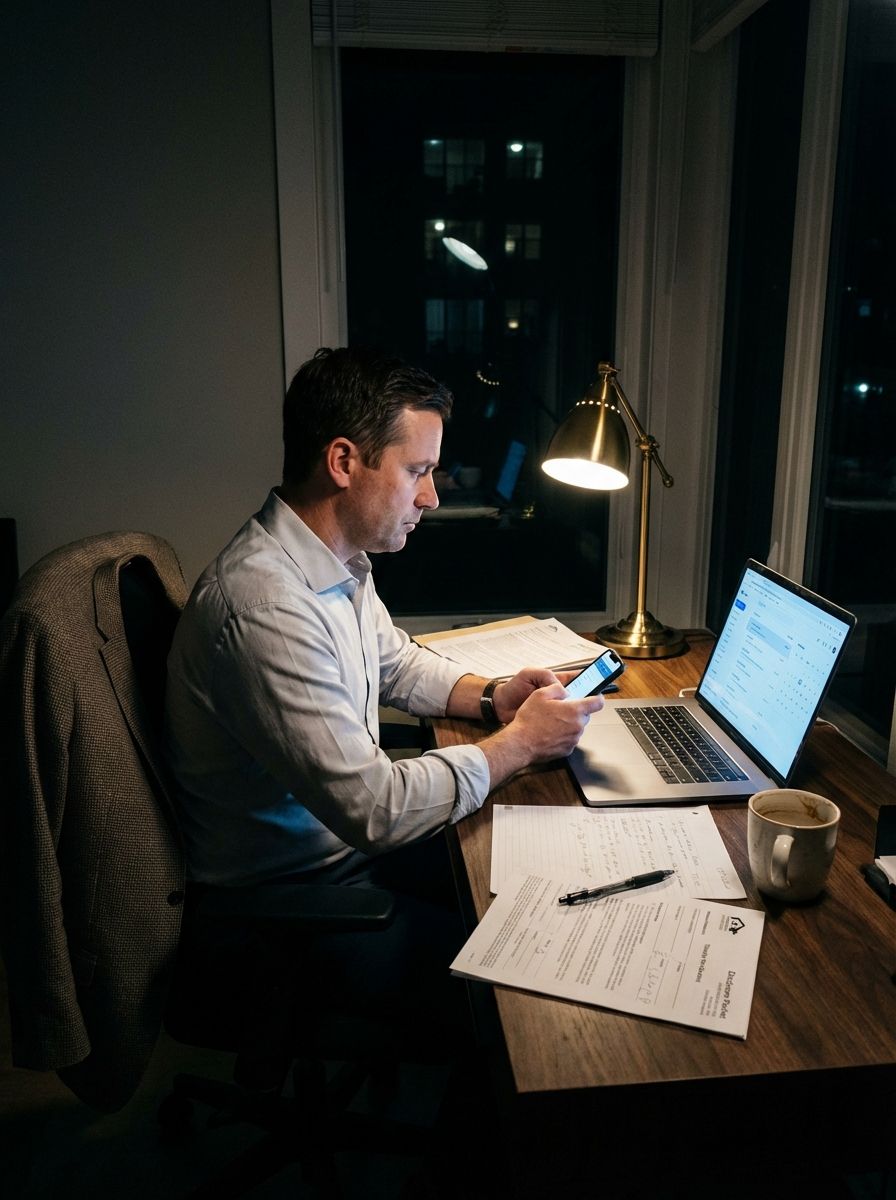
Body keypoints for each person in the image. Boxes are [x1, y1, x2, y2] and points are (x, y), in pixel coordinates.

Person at [163, 345, 603, 1021]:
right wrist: (516, 744)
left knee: (544, 882)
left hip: (340, 856)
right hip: (290, 907)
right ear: (344, 462)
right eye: (417, 470)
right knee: (524, 989)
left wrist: (493, 697)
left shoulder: (332, 561)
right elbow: (376, 809)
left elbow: (394, 661)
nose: (431, 494)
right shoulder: (265, 608)